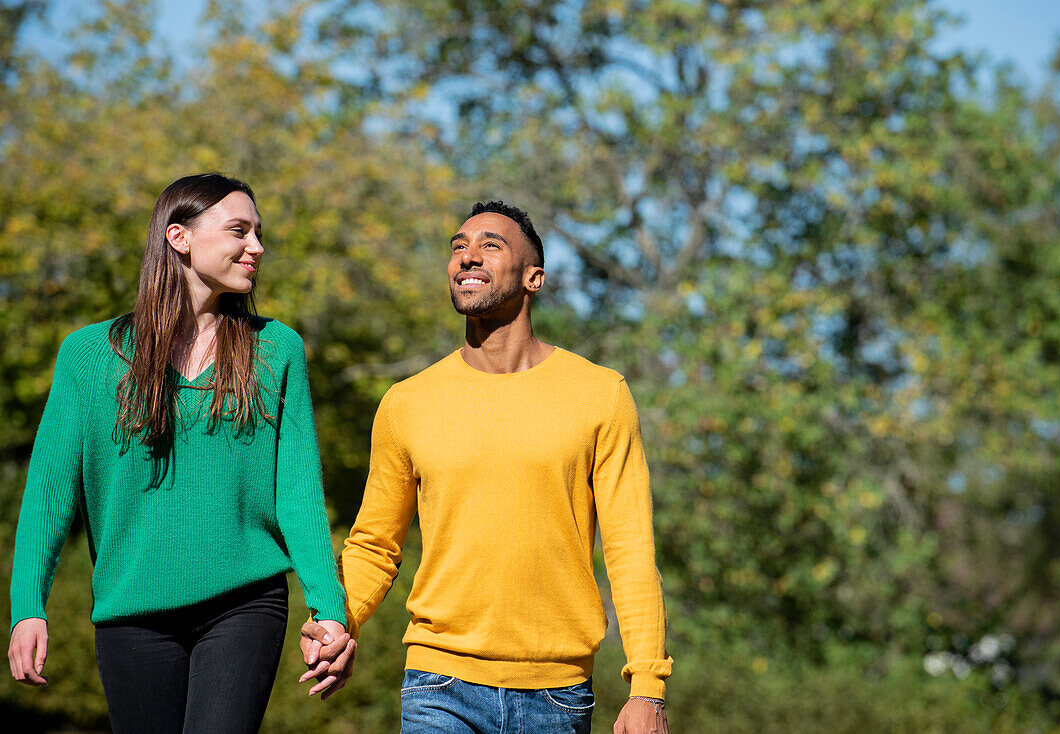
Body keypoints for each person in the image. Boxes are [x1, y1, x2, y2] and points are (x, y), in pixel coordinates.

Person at [300, 201, 672, 733]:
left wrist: (647, 688)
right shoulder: (408, 403)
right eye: (458, 247)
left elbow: (630, 551)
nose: (467, 257)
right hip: (438, 685)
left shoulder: (600, 395)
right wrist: (338, 618)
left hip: (559, 696)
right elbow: (375, 546)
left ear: (533, 278)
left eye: (490, 246)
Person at [7, 173, 352, 733]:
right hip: (130, 610)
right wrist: (28, 605)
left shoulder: (277, 349)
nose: (257, 247)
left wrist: (330, 609)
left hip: (245, 602)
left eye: (259, 233)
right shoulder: (90, 356)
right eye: (239, 230)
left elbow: (298, 495)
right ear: (179, 236)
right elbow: (50, 493)